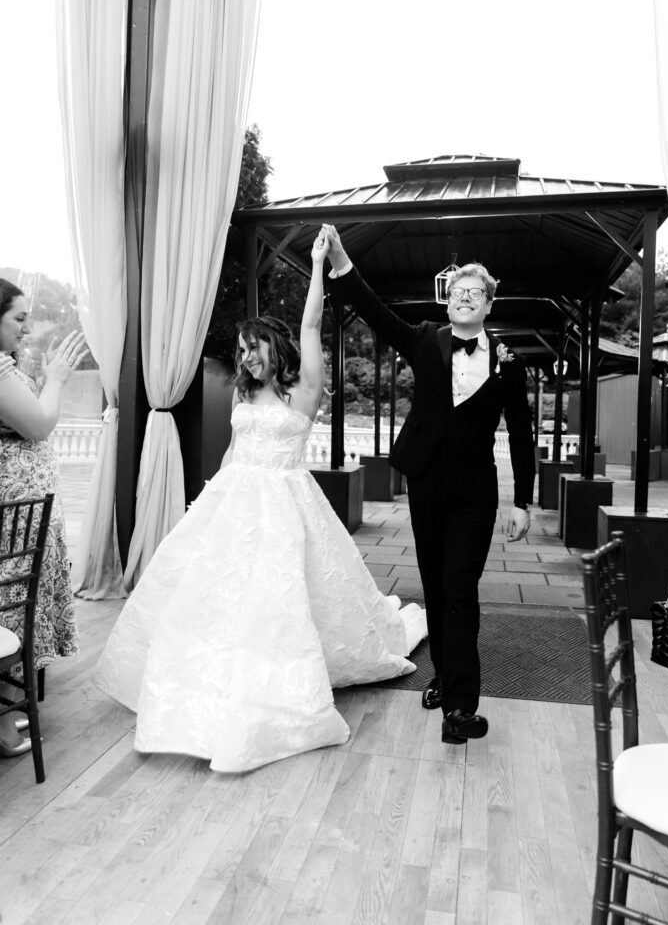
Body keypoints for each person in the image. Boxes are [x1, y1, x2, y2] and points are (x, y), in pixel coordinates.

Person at [94, 230, 427, 774]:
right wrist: (210, 503)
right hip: (233, 500)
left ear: (277, 348)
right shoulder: (244, 395)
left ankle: (273, 686)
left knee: (280, 596)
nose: (246, 358)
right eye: (241, 350)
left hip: (285, 504)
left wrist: (319, 266)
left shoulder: (304, 391)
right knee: (212, 594)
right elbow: (234, 451)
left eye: (255, 348)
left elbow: (313, 324)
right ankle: (205, 682)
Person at [323, 224, 535, 746]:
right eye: (457, 293)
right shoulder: (422, 339)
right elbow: (372, 310)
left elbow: (523, 437)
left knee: (460, 588)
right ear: (449, 303)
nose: (465, 299)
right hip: (425, 481)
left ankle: (461, 708)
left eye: (475, 293)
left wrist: (522, 501)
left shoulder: (509, 365)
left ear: (489, 303)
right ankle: (443, 673)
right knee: (437, 584)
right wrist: (343, 261)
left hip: (475, 491)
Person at [0, 278, 87, 757]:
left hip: (20, 505)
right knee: (14, 600)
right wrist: (55, 380)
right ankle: (7, 720)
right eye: (18, 317)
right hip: (15, 512)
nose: (26, 327)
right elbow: (37, 424)